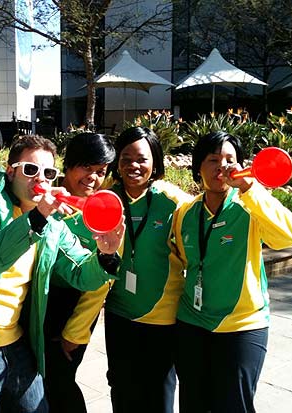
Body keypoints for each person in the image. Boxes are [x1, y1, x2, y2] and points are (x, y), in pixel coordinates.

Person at [0, 134, 125, 413]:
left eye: (48, 172)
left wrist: (106, 254)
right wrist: (38, 217)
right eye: (30, 169)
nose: (40, 178)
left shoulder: (51, 223)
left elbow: (80, 271)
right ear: (10, 170)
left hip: (16, 344)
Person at [172, 131, 292, 412]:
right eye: (213, 159)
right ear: (198, 168)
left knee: (234, 405)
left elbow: (289, 236)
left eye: (230, 159)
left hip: (242, 326)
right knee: (193, 403)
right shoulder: (186, 212)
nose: (223, 166)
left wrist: (249, 189)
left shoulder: (250, 205)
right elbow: (186, 260)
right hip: (192, 323)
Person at [66, 126, 191, 412]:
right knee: (121, 388)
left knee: (158, 394)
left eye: (141, 159)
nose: (133, 165)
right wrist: (77, 329)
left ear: (155, 162)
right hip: (120, 316)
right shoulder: (105, 200)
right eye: (125, 158)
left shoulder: (176, 203)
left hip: (164, 320)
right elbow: (93, 266)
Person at [43, 132, 116, 413]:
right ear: (69, 165)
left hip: (70, 307)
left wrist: (75, 331)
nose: (93, 177)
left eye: (101, 171)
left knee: (60, 382)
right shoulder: (47, 197)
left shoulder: (102, 210)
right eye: (87, 167)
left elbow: (99, 284)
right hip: (36, 301)